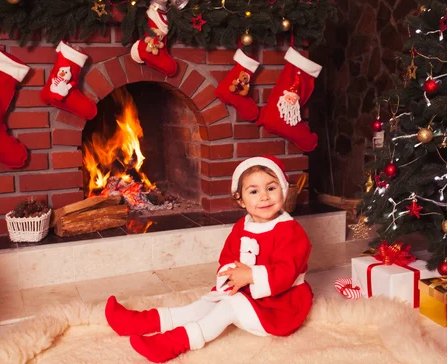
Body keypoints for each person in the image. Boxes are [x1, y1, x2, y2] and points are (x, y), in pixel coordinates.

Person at [105, 155, 313, 363]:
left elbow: (287, 270)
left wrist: (251, 275)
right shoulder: (242, 226)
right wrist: (230, 275)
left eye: (271, 188)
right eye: (254, 191)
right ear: (240, 199)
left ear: (283, 190)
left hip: (279, 306)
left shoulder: (291, 232)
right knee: (202, 306)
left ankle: (173, 343)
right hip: (245, 291)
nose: (264, 197)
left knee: (228, 307)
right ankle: (141, 322)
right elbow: (228, 256)